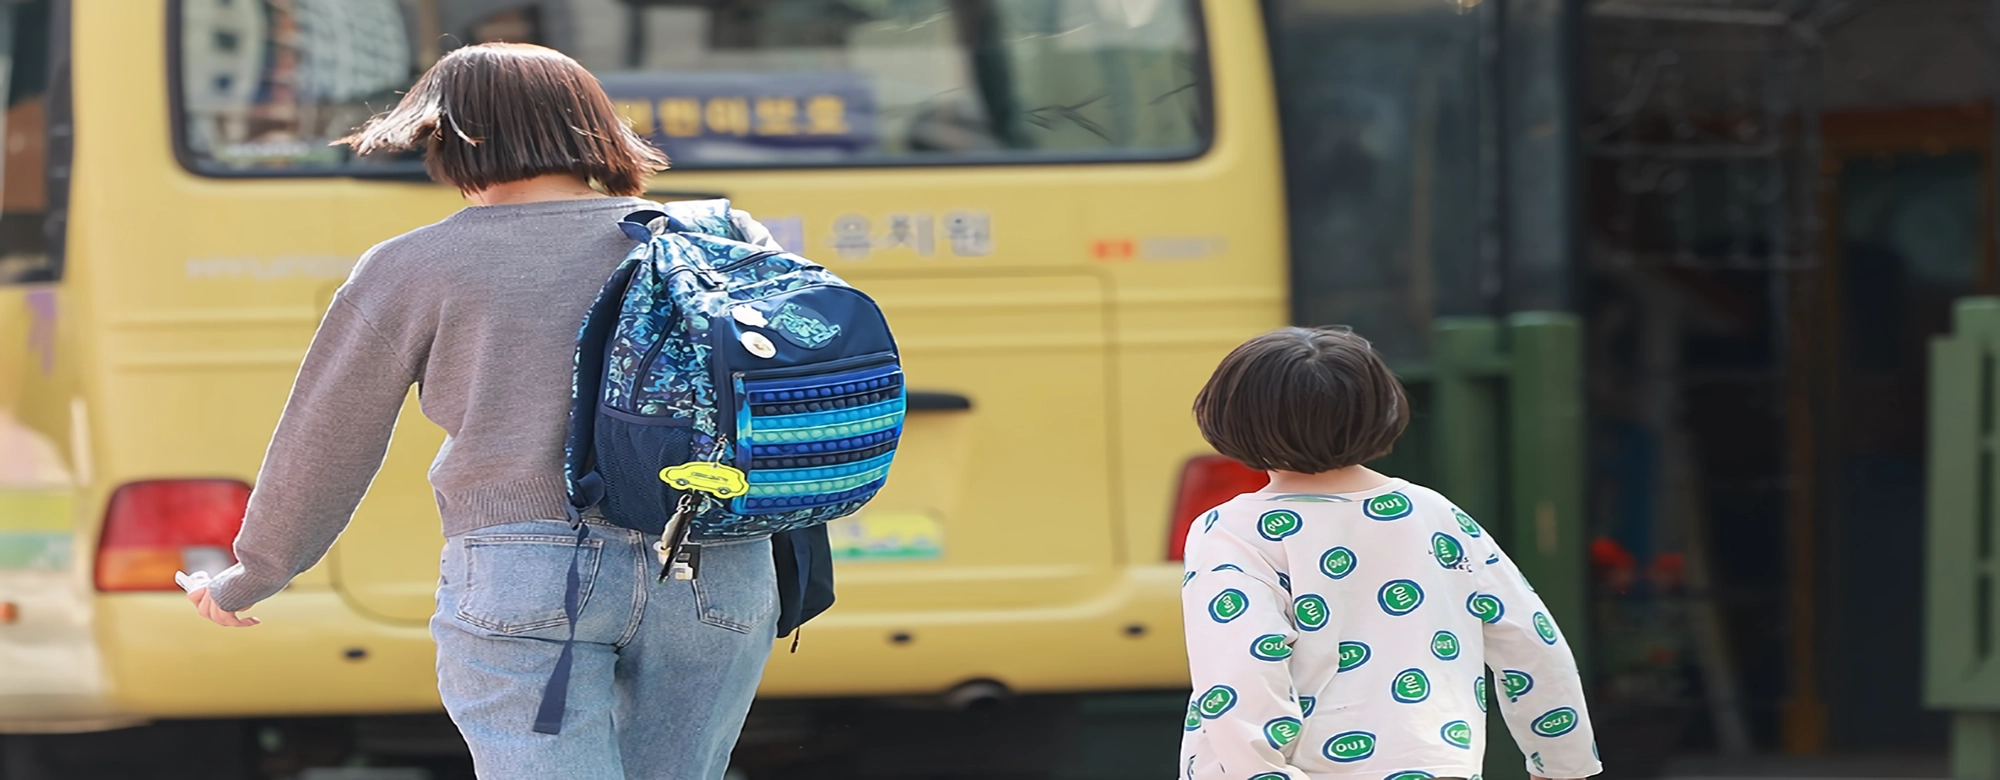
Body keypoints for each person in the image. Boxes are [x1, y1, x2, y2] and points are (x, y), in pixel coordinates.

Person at [185, 43, 781, 779]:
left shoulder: (414, 264)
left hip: (526, 569)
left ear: (451, 139)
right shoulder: (718, 240)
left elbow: (328, 440)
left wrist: (253, 572)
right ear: (597, 126)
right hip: (713, 561)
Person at [1179, 327, 1601, 780]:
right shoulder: (1434, 515)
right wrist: (1564, 765)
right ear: (1381, 410)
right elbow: (1532, 643)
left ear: (1230, 419)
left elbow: (1243, 670)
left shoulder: (1231, 531)